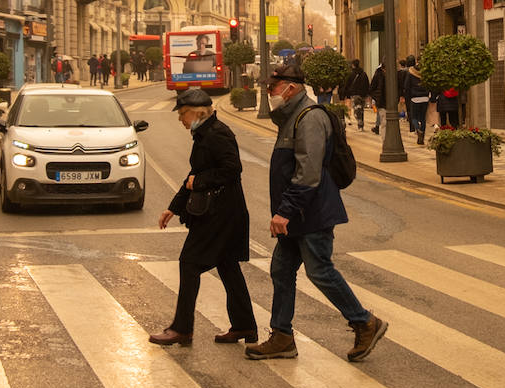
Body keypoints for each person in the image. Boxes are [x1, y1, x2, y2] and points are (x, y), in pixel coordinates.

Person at [245, 63, 387, 362]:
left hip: (311, 213)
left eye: (273, 87)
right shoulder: (290, 117)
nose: (269, 93)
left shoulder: (309, 117)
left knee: (319, 270)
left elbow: (308, 173)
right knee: (281, 271)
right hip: (297, 215)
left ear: (291, 88)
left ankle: (364, 322)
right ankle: (282, 336)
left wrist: (285, 211)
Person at [152, 88, 257, 347]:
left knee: (189, 263)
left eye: (182, 114)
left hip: (220, 214)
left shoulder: (217, 134)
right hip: (223, 212)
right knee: (228, 267)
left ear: (197, 112)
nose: (180, 119)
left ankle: (182, 329)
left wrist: (198, 182)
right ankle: (244, 326)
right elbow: (194, 173)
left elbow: (232, 169)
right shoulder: (205, 133)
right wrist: (174, 207)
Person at [403, 57, 430, 146]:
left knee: (414, 117)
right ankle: (421, 137)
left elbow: (407, 86)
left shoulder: (411, 72)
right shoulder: (426, 71)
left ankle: (417, 129)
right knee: (423, 118)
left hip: (414, 98)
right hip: (425, 98)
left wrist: (407, 97)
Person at [344, 59, 370, 130]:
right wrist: (367, 94)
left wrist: (347, 94)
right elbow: (367, 84)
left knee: (356, 110)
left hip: (355, 94)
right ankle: (361, 125)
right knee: (361, 109)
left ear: (353, 65)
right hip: (363, 95)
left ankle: (360, 123)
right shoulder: (364, 74)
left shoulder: (351, 74)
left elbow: (347, 84)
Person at [370, 61, 386, 136]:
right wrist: (376, 97)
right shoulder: (378, 75)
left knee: (384, 120)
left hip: (389, 103)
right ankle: (385, 140)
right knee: (384, 122)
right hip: (381, 102)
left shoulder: (394, 74)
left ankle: (377, 126)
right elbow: (372, 88)